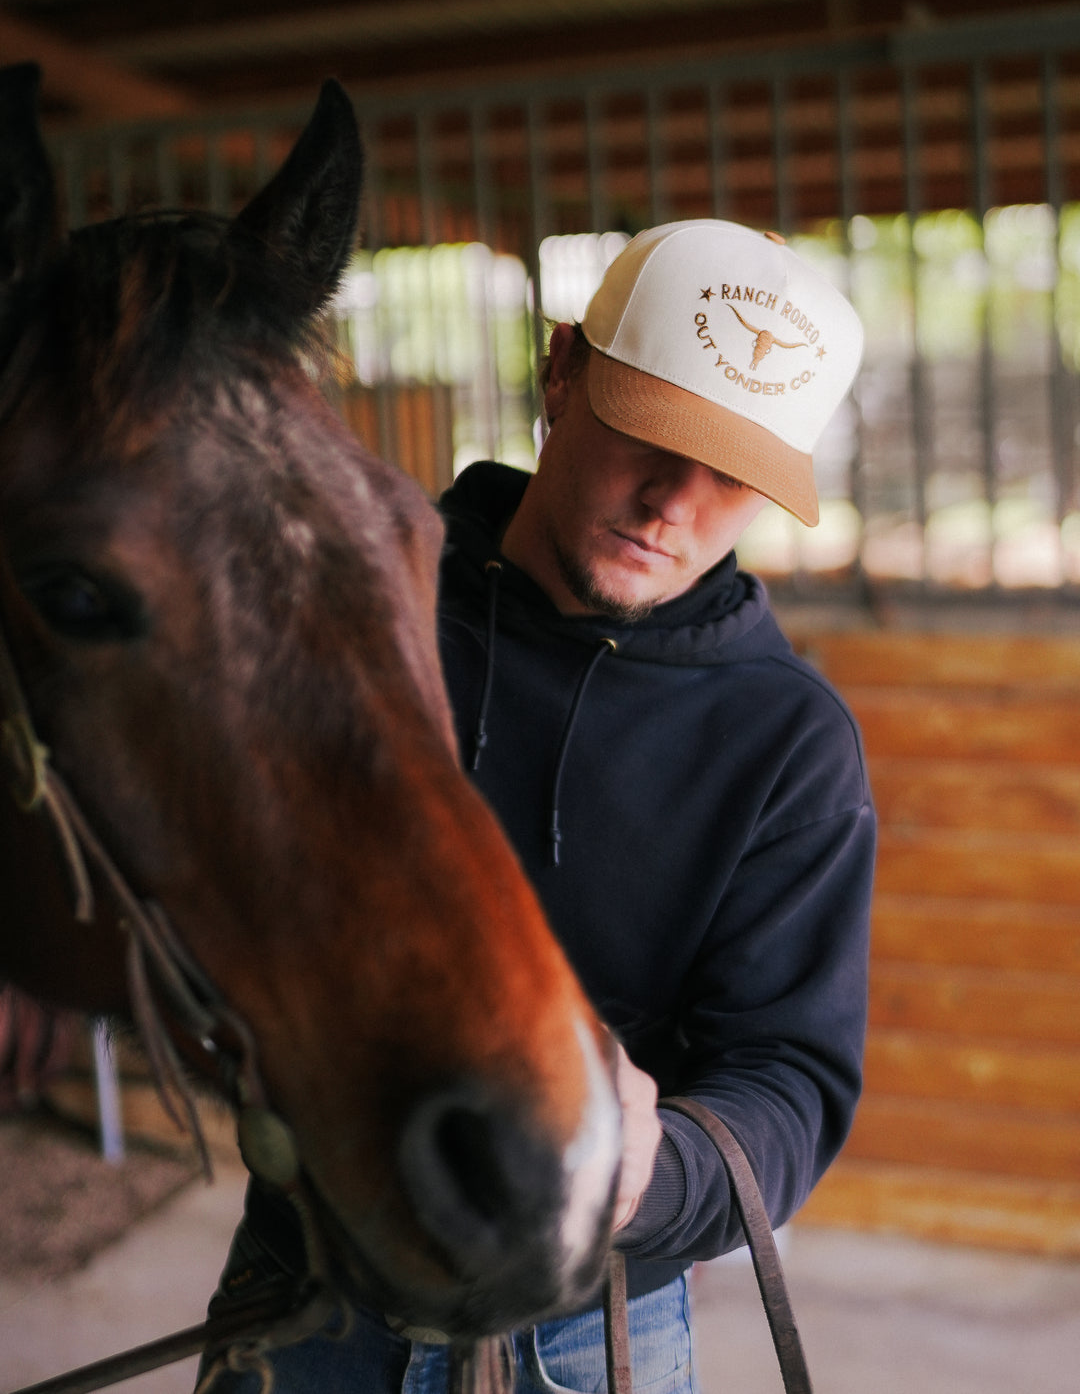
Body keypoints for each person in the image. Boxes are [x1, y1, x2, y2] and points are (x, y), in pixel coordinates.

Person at [198, 219, 874, 1393]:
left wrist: (646, 1175)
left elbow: (789, 1078)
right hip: (306, 1292)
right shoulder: (364, 617)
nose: (676, 501)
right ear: (562, 370)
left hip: (589, 1333)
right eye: (650, 434)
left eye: (735, 474)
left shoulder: (788, 742)